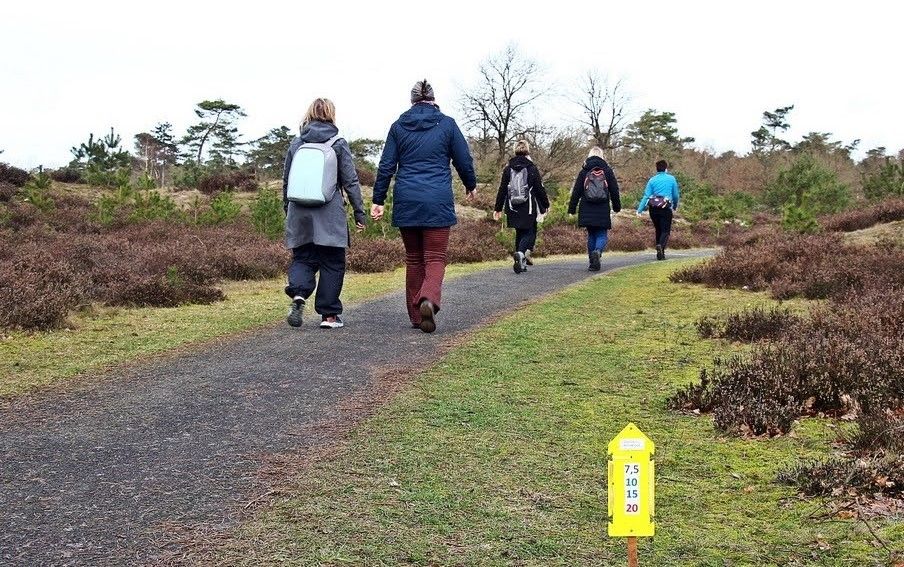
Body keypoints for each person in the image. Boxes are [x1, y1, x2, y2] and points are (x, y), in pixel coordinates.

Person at [371, 79, 477, 333]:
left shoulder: (398, 127)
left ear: (412, 100)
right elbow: (463, 159)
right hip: (437, 199)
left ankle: (417, 317)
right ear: (433, 99)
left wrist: (378, 199)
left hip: (407, 200)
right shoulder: (447, 125)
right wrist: (470, 184)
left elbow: (386, 165)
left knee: (414, 259)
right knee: (435, 257)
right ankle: (428, 299)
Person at [282, 98, 366, 329]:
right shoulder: (338, 143)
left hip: (299, 213)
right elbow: (350, 181)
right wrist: (359, 213)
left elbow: (287, 180)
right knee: (332, 262)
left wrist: (288, 210)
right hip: (329, 213)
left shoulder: (296, 143)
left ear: (309, 114)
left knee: (302, 258)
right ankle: (329, 316)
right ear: (331, 114)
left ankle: (299, 294)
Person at [493, 140, 550, 273]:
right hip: (528, 206)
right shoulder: (531, 168)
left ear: (515, 150)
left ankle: (520, 262)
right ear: (527, 151)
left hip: (512, 206)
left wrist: (497, 208)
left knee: (519, 232)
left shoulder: (508, 169)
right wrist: (545, 204)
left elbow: (502, 189)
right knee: (529, 232)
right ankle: (520, 253)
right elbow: (539, 189)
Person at [568, 146, 621, 271]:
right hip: (602, 208)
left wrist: (572, 208)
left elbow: (576, 191)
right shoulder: (607, 171)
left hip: (587, 208)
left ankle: (592, 263)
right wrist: (616, 206)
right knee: (602, 234)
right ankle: (597, 251)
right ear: (602, 156)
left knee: (591, 234)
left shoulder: (584, 171)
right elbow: (614, 190)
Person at [636, 159, 680, 260]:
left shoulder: (652, 180)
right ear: (666, 168)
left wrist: (639, 210)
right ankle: (660, 246)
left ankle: (660, 253)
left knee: (658, 229)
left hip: (653, 209)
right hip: (665, 208)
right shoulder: (671, 179)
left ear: (657, 169)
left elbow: (646, 196)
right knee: (665, 230)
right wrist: (674, 206)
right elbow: (675, 195)